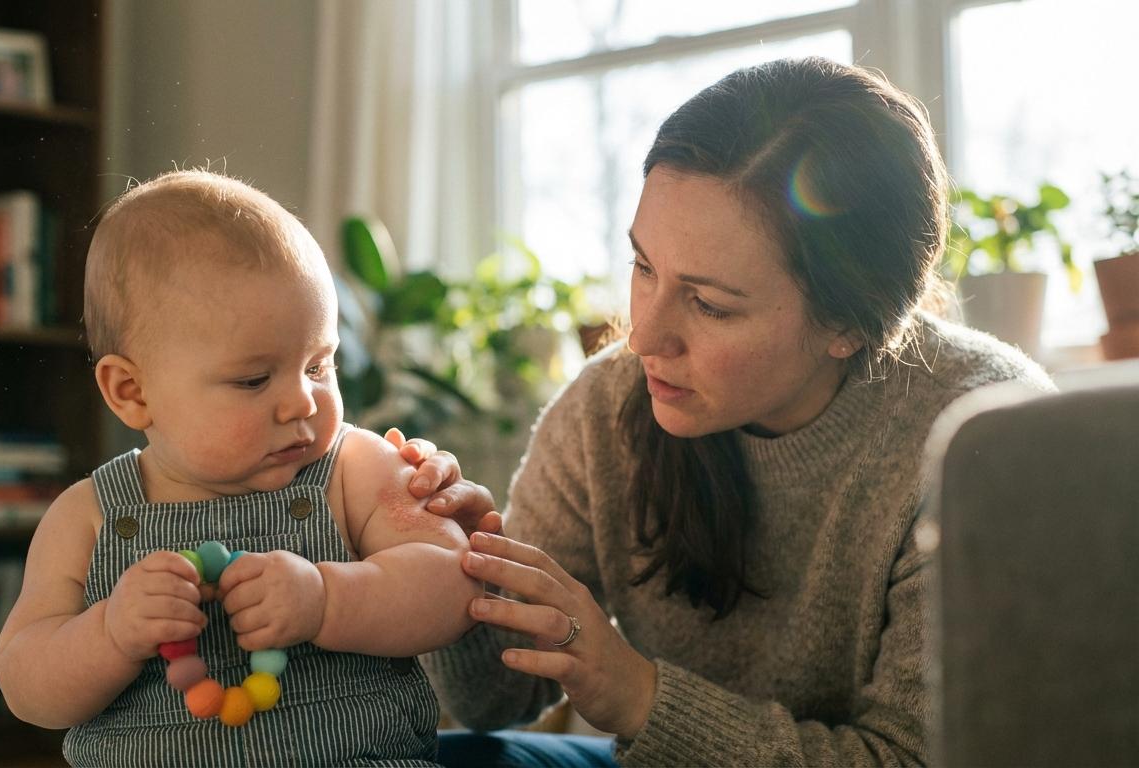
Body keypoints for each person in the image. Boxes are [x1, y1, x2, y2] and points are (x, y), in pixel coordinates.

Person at [415, 56, 1056, 766]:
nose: (645, 338)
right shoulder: (606, 404)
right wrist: (457, 571)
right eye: (643, 267)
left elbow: (919, 759)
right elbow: (490, 705)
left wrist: (636, 696)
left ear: (847, 326)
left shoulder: (984, 434)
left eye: (711, 304)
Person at [0, 169, 486, 767]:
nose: (302, 402)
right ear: (132, 392)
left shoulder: (353, 468)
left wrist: (328, 599)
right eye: (254, 379)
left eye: (318, 365)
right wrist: (110, 633)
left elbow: (452, 584)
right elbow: (26, 683)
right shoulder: (88, 516)